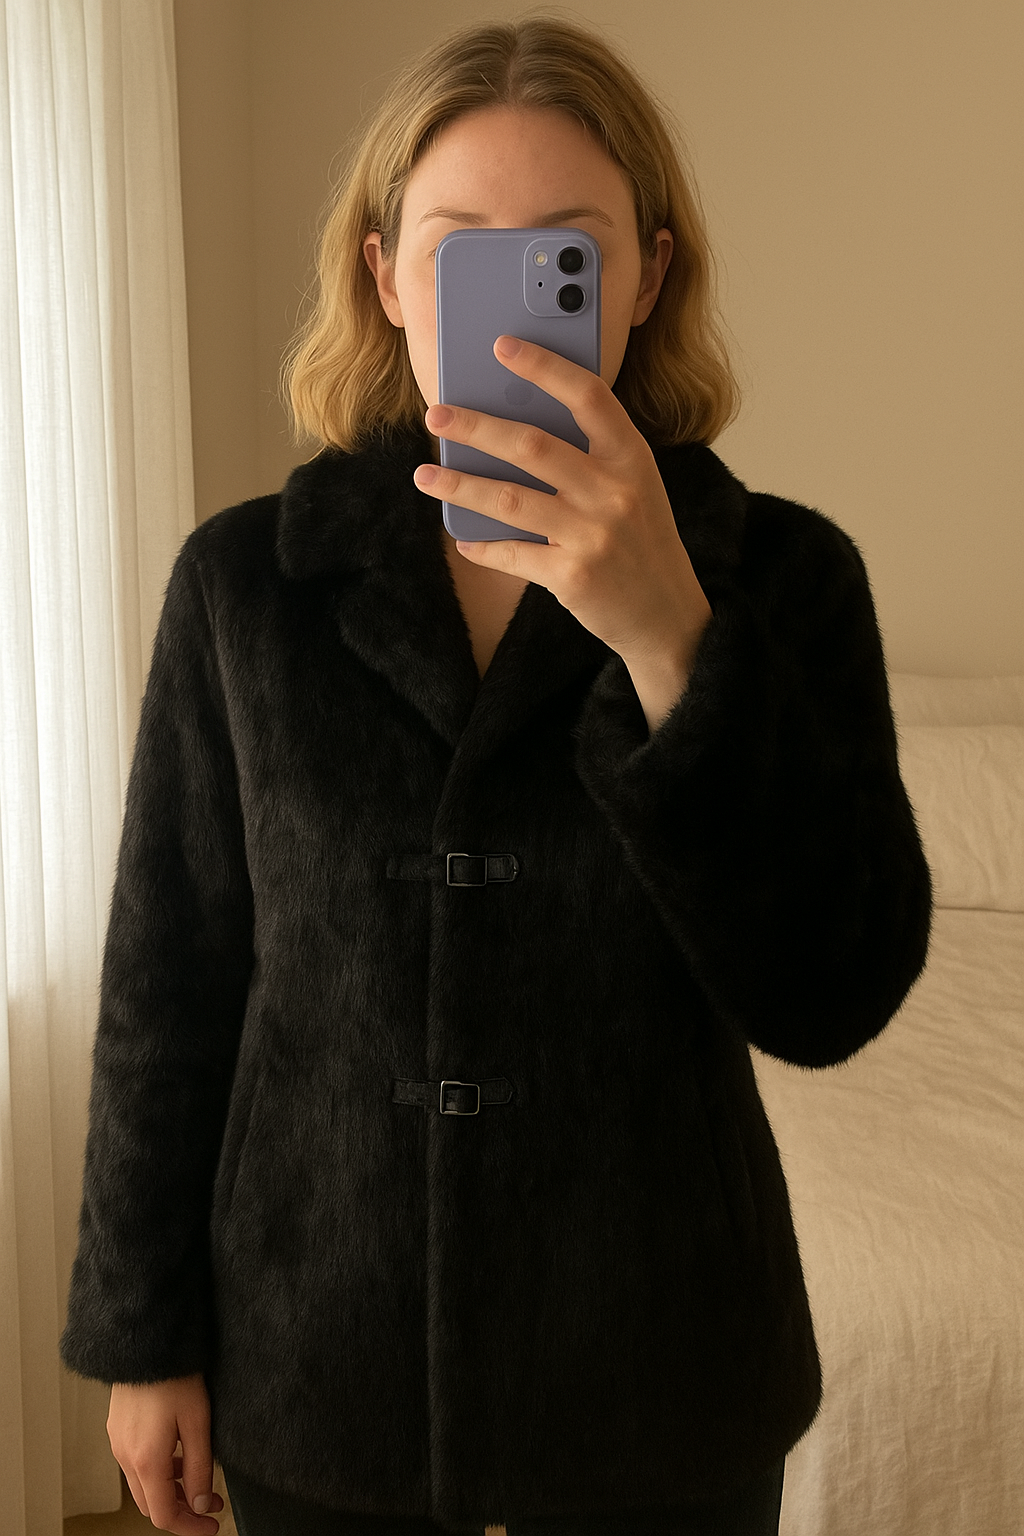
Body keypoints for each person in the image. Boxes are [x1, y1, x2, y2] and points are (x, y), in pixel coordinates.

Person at [59, 16, 932, 1536]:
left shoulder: (783, 580)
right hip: (317, 1363)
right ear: (388, 276)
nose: (517, 303)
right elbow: (167, 986)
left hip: (661, 1378)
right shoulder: (247, 587)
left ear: (646, 277)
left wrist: (670, 637)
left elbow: (832, 993)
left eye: (565, 255)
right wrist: (145, 1338)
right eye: (465, 249)